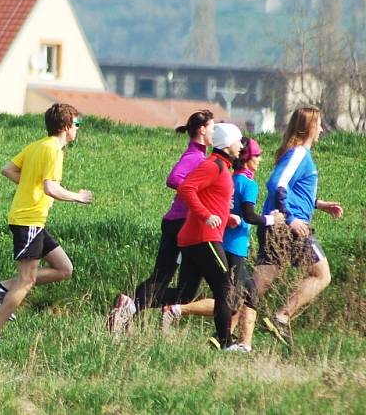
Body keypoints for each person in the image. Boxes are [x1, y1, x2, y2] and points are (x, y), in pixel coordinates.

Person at [161, 137, 285, 352]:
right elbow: (248, 215)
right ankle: (184, 314)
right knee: (229, 294)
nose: (260, 159)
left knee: (242, 293)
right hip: (231, 245)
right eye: (257, 155)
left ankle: (236, 341)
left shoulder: (230, 178)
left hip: (218, 241)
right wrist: (271, 219)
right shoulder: (247, 184)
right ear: (247, 158)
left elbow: (218, 205)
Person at [0, 103, 93, 342]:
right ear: (66, 126)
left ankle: (1, 288)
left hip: (34, 221)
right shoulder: (54, 150)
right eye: (76, 124)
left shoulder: (37, 146)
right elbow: (50, 187)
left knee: (64, 269)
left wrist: (29, 184)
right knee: (26, 280)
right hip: (28, 220)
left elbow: (8, 169)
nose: (77, 129)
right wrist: (78, 197)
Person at [107, 110, 215, 333]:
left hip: (180, 223)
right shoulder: (195, 157)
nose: (214, 133)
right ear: (202, 130)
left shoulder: (199, 156)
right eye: (212, 128)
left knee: (175, 284)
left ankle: (130, 306)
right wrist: (194, 192)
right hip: (179, 224)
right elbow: (174, 178)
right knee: (164, 278)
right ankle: (131, 307)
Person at [254, 106, 343, 346]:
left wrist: (318, 204)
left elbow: (292, 189)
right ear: (309, 127)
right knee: (321, 274)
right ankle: (281, 317)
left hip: (277, 225)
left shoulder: (296, 153)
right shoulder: (300, 153)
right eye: (319, 124)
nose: (322, 128)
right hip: (290, 227)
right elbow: (276, 184)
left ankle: (224, 335)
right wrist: (291, 218)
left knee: (256, 287)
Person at [159, 123, 243, 350]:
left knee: (185, 294)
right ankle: (226, 343)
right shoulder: (214, 165)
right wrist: (206, 216)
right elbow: (186, 188)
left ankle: (132, 302)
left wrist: (226, 218)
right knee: (226, 288)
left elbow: (211, 198)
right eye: (239, 141)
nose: (241, 145)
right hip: (204, 237)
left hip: (195, 237)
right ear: (227, 144)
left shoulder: (221, 166)